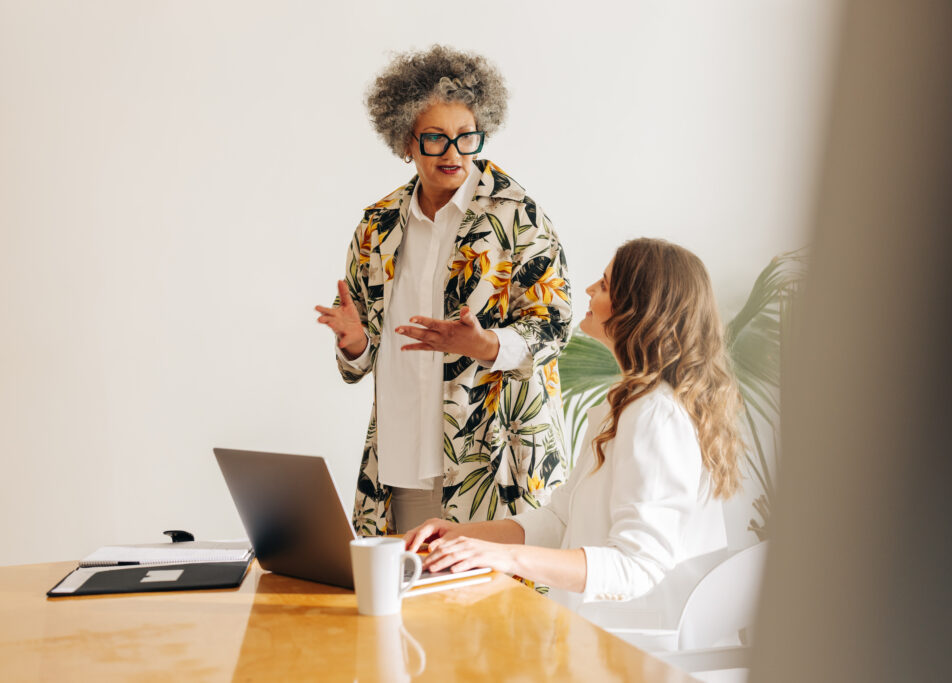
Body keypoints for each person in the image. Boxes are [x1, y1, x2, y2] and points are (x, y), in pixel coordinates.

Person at [405, 238, 743, 613]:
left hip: (635, 652)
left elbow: (638, 566)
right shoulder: (626, 404)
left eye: (604, 284)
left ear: (638, 308)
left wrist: (504, 559)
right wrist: (461, 535)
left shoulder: (654, 414)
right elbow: (559, 519)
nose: (588, 289)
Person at [315, 46, 572, 536]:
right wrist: (353, 342)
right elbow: (362, 355)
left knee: (491, 608)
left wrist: (485, 345)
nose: (452, 153)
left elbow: (555, 325)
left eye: (465, 137)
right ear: (405, 143)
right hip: (402, 457)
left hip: (494, 458)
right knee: (400, 601)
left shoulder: (518, 215)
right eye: (434, 138)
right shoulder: (378, 225)